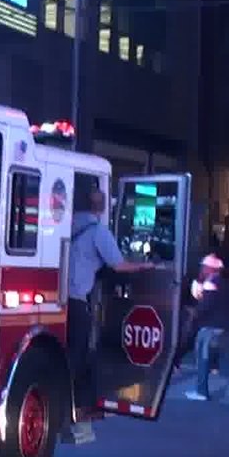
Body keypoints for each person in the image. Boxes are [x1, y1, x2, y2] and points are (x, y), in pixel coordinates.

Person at [67, 187, 156, 442]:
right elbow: (118, 265)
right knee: (81, 360)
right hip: (77, 302)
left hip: (58, 302)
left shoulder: (67, 224)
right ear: (103, 208)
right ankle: (77, 418)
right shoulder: (98, 232)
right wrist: (146, 265)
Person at [185, 254, 229, 401]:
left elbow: (206, 306)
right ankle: (213, 370)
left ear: (210, 268)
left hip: (209, 326)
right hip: (219, 325)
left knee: (202, 359)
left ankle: (201, 392)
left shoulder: (210, 283)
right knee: (209, 356)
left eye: (204, 267)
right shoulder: (221, 282)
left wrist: (194, 311)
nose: (202, 269)